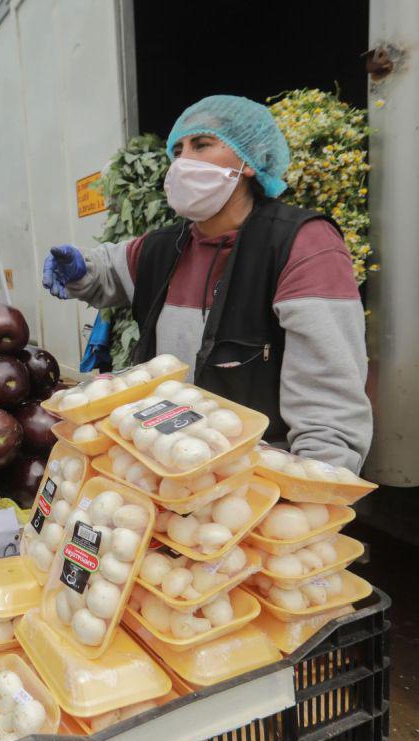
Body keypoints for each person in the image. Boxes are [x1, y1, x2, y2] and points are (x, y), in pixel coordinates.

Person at [43, 95, 371, 472]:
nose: (183, 162)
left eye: (201, 145)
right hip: (163, 465)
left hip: (256, 477)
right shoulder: (161, 248)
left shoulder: (302, 244)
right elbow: (108, 270)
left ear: (249, 159)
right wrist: (81, 269)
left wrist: (315, 488)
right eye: (178, 150)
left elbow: (330, 400)